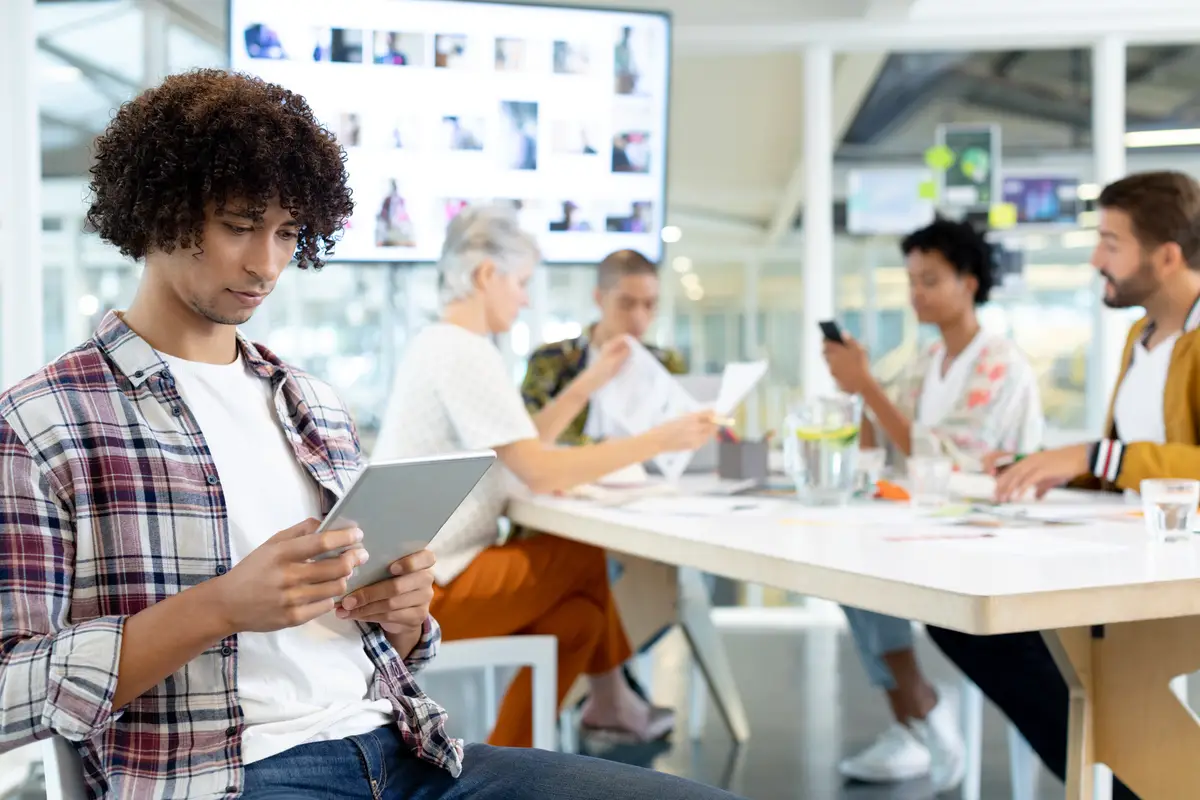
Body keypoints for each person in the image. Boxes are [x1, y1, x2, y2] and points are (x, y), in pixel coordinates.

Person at [0, 69, 743, 800]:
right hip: (229, 775)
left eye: (289, 232)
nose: (267, 264)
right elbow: (10, 691)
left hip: (406, 752)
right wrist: (219, 608)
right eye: (237, 226)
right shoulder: (46, 422)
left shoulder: (312, 405)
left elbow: (392, 647)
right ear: (156, 211)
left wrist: (408, 612)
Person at [372, 206, 719, 751]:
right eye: (522, 283)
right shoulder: (464, 350)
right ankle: (613, 703)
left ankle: (517, 757)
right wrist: (661, 438)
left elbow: (520, 445)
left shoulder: (442, 344)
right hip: (429, 590)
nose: (526, 298)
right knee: (583, 557)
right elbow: (535, 467)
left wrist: (587, 384)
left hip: (422, 579)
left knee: (578, 620)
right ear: (488, 276)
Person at [928, 170, 1200, 800]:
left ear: (1166, 255)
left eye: (1110, 242)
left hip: (1174, 573)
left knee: (1012, 640)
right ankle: (1124, 780)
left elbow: (1145, 460)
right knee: (962, 618)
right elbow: (1128, 463)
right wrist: (1046, 463)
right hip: (1131, 554)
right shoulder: (1143, 336)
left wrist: (1095, 456)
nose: (1094, 258)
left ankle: (1136, 784)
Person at [822, 217, 1044, 791]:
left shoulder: (1001, 364)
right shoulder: (925, 363)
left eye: (931, 280)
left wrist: (869, 388)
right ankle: (915, 715)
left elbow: (941, 460)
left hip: (991, 533)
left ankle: (918, 713)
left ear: (969, 282)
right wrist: (859, 394)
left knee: (867, 573)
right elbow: (890, 454)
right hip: (935, 525)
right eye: (912, 281)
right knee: (850, 572)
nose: (917, 294)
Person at [523, 248, 685, 447]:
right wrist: (591, 380)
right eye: (626, 303)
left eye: (649, 304)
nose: (638, 317)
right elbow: (526, 441)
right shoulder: (551, 360)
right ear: (599, 298)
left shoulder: (666, 363)